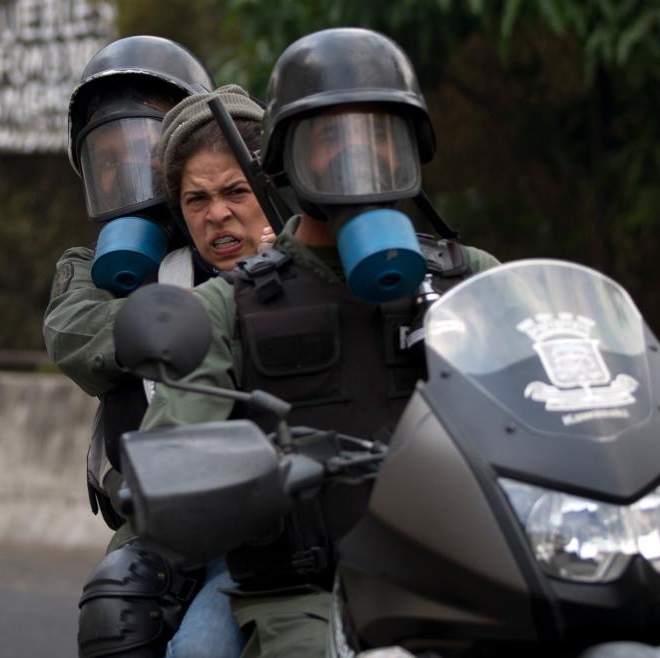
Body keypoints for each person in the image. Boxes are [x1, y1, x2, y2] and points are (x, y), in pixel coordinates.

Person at [136, 28, 500, 658]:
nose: (356, 161)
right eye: (328, 143)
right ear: (287, 159)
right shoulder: (229, 303)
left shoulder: (471, 276)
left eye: (378, 138)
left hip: (463, 565)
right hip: (300, 589)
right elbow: (175, 450)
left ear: (411, 152)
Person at [43, 36, 271, 658]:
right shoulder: (94, 268)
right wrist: (192, 308)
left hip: (277, 499)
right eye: (108, 155)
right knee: (122, 619)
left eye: (142, 145)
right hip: (158, 516)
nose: (127, 169)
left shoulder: (264, 233)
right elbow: (74, 336)